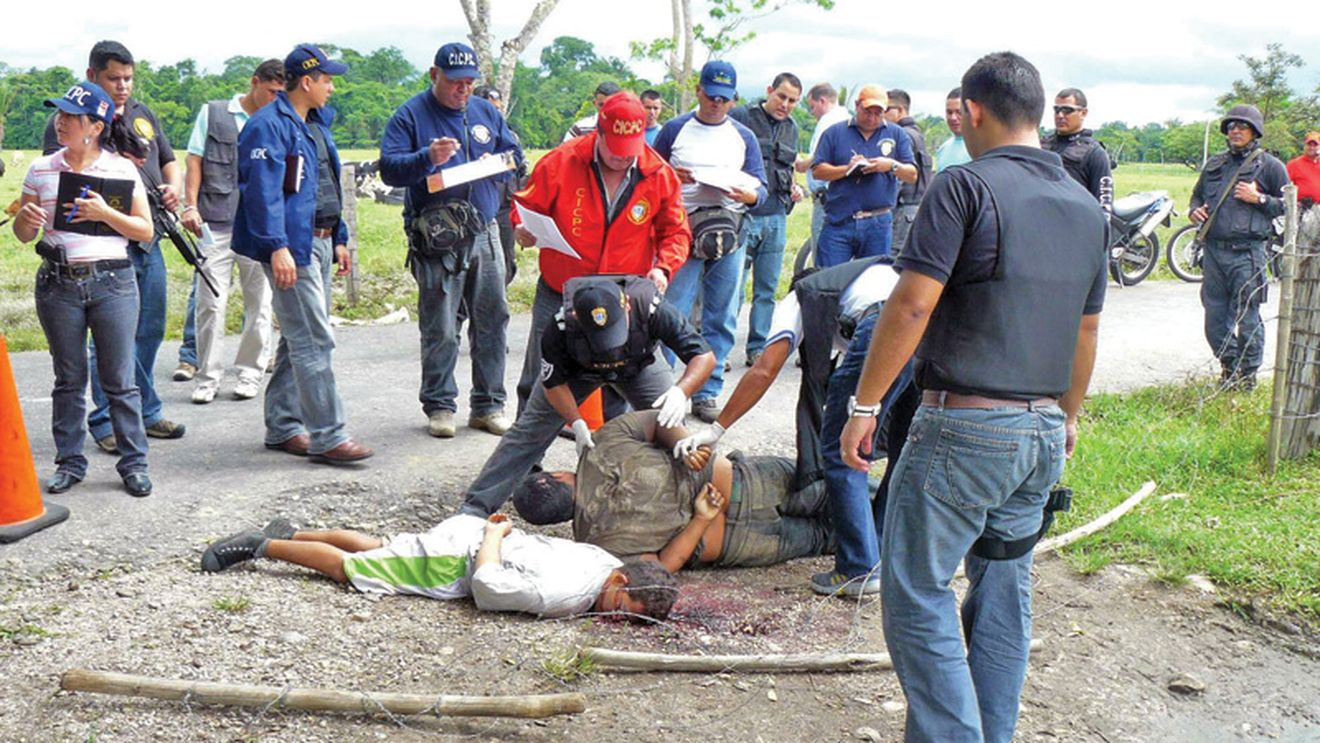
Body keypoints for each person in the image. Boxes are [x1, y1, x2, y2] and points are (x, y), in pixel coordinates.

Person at [838, 52, 1106, 743]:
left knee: (917, 592)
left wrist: (864, 406)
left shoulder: (962, 188)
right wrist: (1068, 416)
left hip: (963, 426)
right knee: (1003, 592)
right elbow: (1086, 329)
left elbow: (911, 304)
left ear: (976, 112)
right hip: (1044, 430)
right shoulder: (1083, 205)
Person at [674, 258, 917, 596]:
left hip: (884, 325)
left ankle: (859, 568)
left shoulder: (801, 297)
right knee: (906, 449)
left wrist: (717, 430)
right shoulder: (864, 279)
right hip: (927, 326)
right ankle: (882, 551)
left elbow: (764, 370)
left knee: (838, 448)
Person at [460, 274, 716, 518]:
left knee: (675, 432)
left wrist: (681, 391)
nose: (609, 343)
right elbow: (553, 384)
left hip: (639, 365)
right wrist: (577, 421)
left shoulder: (650, 306)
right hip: (578, 372)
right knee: (530, 431)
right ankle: (475, 509)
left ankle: (700, 499)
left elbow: (704, 356)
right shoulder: (560, 327)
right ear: (576, 318)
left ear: (626, 307)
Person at [43, 41, 188, 453]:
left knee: (150, 328)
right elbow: (64, 177)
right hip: (99, 248)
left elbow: (168, 158)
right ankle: (105, 419)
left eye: (128, 78)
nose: (122, 86)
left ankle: (147, 408)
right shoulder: (70, 119)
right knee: (105, 342)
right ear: (93, 76)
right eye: (113, 78)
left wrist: (172, 189)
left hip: (146, 237)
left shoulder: (143, 115)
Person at [14, 81, 156, 497]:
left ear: (94, 126)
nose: (60, 122)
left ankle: (134, 464)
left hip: (112, 282)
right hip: (58, 283)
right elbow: (24, 235)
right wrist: (28, 217)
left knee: (120, 380)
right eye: (59, 114)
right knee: (69, 378)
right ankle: (70, 462)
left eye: (70, 117)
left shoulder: (121, 169)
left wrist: (105, 212)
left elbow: (144, 230)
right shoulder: (41, 169)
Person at [509, 91, 690, 418]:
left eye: (630, 151)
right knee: (542, 376)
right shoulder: (560, 162)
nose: (623, 159)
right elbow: (523, 206)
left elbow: (676, 231)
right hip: (560, 290)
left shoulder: (657, 174)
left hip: (622, 295)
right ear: (599, 133)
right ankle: (528, 464)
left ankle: (609, 455)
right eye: (615, 150)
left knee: (618, 376)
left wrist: (664, 268)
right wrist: (520, 227)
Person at [233, 44, 372, 465]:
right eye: (327, 79)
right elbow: (261, 195)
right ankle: (329, 436)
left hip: (321, 240)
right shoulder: (266, 127)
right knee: (314, 339)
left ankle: (282, 425)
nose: (332, 87)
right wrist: (278, 247)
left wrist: (341, 237)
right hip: (293, 246)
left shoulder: (313, 123)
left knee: (299, 341)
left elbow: (326, 182)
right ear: (307, 81)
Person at [378, 43, 523, 438]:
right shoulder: (410, 114)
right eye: (456, 82)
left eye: (470, 83)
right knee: (441, 324)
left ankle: (489, 405)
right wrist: (427, 158)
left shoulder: (485, 111)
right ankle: (440, 405)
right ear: (434, 75)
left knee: (493, 318)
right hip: (437, 233)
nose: (463, 90)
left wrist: (505, 163)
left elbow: (513, 150)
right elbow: (389, 168)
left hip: (486, 227)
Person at [199, 513, 678, 622]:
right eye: (621, 607)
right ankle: (261, 547)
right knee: (356, 569)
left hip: (468, 534)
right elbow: (488, 586)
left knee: (384, 546)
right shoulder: (564, 597)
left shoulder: (608, 561)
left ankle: (294, 531)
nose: (615, 616)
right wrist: (493, 537)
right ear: (619, 581)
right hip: (460, 558)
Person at [513, 411, 832, 570]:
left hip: (737, 543)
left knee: (828, 539)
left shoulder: (595, 546)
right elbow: (658, 419)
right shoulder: (603, 443)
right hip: (745, 483)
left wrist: (701, 519)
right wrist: (683, 444)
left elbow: (665, 565)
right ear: (555, 474)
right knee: (842, 489)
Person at [652, 60, 768, 423]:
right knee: (673, 311)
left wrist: (748, 196)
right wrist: (671, 176)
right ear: (699, 91)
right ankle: (659, 388)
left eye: (725, 99)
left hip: (729, 229)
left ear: (733, 99)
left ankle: (707, 390)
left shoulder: (743, 136)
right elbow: (649, 177)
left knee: (722, 315)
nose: (717, 104)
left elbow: (761, 188)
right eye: (711, 96)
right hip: (682, 229)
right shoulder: (675, 130)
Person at [180, 59, 283, 405]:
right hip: (216, 222)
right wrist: (189, 205)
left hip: (258, 227)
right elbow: (194, 160)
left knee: (261, 304)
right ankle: (208, 376)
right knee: (210, 302)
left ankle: (251, 373)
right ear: (255, 83)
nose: (275, 99)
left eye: (281, 93)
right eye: (271, 91)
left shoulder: (279, 119)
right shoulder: (213, 113)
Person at [1189, 104, 1289, 391]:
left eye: (1242, 126)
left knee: (1248, 318)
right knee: (1215, 319)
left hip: (1248, 253)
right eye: (1231, 126)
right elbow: (1196, 199)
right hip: (1214, 252)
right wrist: (1194, 211)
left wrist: (1259, 199)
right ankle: (1230, 367)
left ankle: (1247, 377)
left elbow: (1287, 206)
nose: (1235, 130)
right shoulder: (1214, 165)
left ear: (1254, 131)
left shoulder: (1270, 166)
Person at [729, 72, 803, 367]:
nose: (785, 104)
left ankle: (757, 347)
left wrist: (794, 187)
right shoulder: (740, 117)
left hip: (777, 217)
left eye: (793, 101)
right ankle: (718, 350)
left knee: (766, 289)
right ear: (769, 90)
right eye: (781, 96)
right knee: (732, 286)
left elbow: (788, 166)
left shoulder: (792, 128)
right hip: (744, 215)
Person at [811, 84, 917, 267]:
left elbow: (912, 175)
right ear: (857, 105)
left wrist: (889, 165)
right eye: (867, 111)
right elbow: (818, 170)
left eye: (878, 113)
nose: (872, 118)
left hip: (878, 222)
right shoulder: (835, 133)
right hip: (840, 220)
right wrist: (847, 169)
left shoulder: (896, 134)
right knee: (829, 281)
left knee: (872, 285)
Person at [473, 83, 525, 286]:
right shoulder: (465, 133)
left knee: (505, 260)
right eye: (488, 108)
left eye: (497, 109)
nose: (494, 114)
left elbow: (517, 166)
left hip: (505, 205)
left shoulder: (510, 136)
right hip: (475, 207)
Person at [799, 82, 852, 244]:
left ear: (822, 101)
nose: (812, 112)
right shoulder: (848, 118)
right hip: (845, 196)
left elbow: (818, 158)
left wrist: (800, 164)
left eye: (812, 107)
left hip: (827, 197)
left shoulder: (828, 122)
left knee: (823, 253)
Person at [1041, 88, 1113, 204]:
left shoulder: (1094, 152)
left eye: (1067, 110)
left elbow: (1104, 204)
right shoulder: (1041, 146)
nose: (1060, 115)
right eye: (1057, 109)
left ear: (1083, 113)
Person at [883, 89, 933, 254]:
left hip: (903, 209)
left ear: (900, 110)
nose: (881, 115)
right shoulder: (916, 134)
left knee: (891, 262)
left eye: (886, 109)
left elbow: (899, 178)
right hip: (914, 209)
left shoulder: (901, 135)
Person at [934, 87, 972, 172]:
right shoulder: (942, 149)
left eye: (959, 112)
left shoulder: (980, 149)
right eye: (949, 112)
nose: (953, 118)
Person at [1286, 131, 1320, 207]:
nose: (1311, 147)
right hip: (1302, 209)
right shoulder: (1294, 164)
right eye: (1309, 144)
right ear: (1305, 146)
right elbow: (1283, 186)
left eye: (1315, 145)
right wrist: (1294, 203)